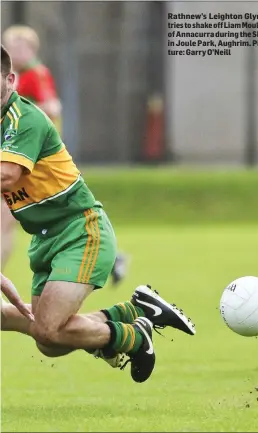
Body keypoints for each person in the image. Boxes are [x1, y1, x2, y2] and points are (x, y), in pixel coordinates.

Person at [1, 45, 196, 382]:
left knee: (47, 330)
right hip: (45, 238)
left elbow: (7, 174)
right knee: (49, 341)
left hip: (80, 231)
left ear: (10, 79)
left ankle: (135, 336)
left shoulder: (23, 118)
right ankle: (134, 312)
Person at [1, 25, 128, 285]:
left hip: (35, 157)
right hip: (22, 155)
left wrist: (23, 117)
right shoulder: (17, 76)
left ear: (31, 49)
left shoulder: (36, 74)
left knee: (8, 219)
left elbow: (52, 106)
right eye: (9, 46)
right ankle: (113, 258)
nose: (13, 51)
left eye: (18, 47)